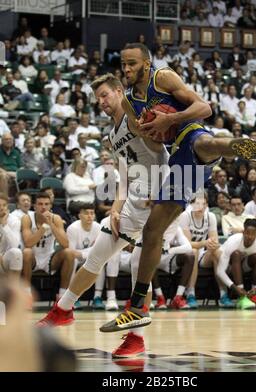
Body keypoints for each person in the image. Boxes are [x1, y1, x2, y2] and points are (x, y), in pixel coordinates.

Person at [100, 42, 256, 332]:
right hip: (178, 160)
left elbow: (204, 108)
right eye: (123, 64)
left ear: (146, 64)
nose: (126, 69)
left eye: (132, 63)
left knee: (202, 143)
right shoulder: (131, 101)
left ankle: (242, 147)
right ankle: (135, 307)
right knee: (152, 231)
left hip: (190, 131)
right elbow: (153, 142)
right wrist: (149, 129)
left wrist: (171, 118)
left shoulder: (163, 77)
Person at [36, 73, 169, 358]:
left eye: (105, 95)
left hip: (158, 202)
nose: (101, 101)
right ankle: (64, 309)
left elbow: (161, 155)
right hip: (133, 202)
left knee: (138, 264)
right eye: (97, 98)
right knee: (97, 255)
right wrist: (117, 208)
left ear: (120, 92)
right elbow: (124, 174)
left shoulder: (138, 118)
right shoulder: (112, 134)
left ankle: (136, 338)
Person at [21, 192, 75, 301]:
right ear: (34, 206)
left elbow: (65, 244)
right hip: (33, 259)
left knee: (69, 253)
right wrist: (43, 228)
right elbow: (28, 243)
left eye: (46, 204)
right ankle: (26, 295)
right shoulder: (27, 218)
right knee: (26, 252)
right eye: (40, 204)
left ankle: (62, 296)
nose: (43, 207)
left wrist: (51, 224)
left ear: (50, 206)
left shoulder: (56, 218)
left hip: (50, 259)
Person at [216, 219, 256, 309]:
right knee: (236, 254)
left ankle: (253, 296)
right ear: (243, 232)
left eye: (253, 234)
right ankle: (241, 296)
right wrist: (234, 287)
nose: (249, 236)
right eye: (247, 233)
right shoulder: (233, 241)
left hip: (244, 266)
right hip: (229, 267)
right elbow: (220, 271)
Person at [66, 204, 105, 309]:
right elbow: (71, 252)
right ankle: (73, 298)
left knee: (100, 260)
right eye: (86, 213)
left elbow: (100, 249)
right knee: (71, 260)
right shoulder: (72, 228)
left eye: (92, 213)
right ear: (80, 215)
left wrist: (83, 253)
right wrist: (88, 252)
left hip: (88, 257)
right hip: (76, 259)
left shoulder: (99, 228)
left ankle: (97, 297)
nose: (89, 216)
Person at [0, 194, 23, 277]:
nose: (2, 208)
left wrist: (4, 225)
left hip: (5, 258)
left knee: (16, 252)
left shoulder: (14, 220)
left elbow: (15, 245)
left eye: (4, 205)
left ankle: (14, 286)